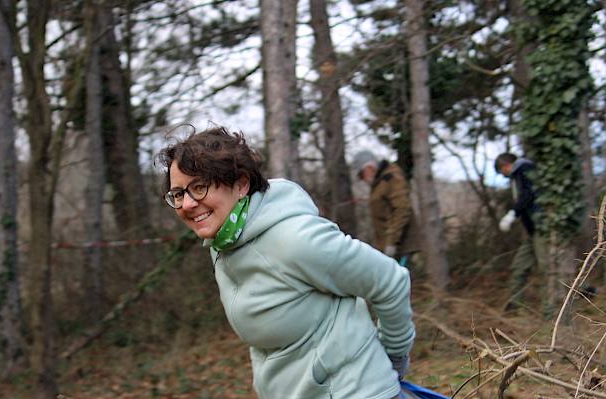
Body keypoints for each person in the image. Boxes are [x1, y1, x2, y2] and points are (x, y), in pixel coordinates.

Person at [157, 127, 415, 398]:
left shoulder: (294, 239)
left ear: (241, 184)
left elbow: (390, 281)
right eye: (177, 194)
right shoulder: (224, 243)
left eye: (199, 187)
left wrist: (395, 360)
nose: (186, 204)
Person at [494, 152, 549, 311]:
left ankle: (553, 309)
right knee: (519, 266)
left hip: (541, 228)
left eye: (501, 171)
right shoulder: (518, 175)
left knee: (547, 268)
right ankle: (514, 305)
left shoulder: (525, 168)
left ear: (505, 165)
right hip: (532, 232)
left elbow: (528, 194)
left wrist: (513, 213)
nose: (504, 176)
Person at [353, 150, 420, 266]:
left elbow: (402, 210)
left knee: (399, 282)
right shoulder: (380, 182)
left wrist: (391, 243)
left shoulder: (391, 178)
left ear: (369, 169)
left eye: (361, 174)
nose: (362, 179)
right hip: (389, 245)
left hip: (401, 245)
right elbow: (384, 204)